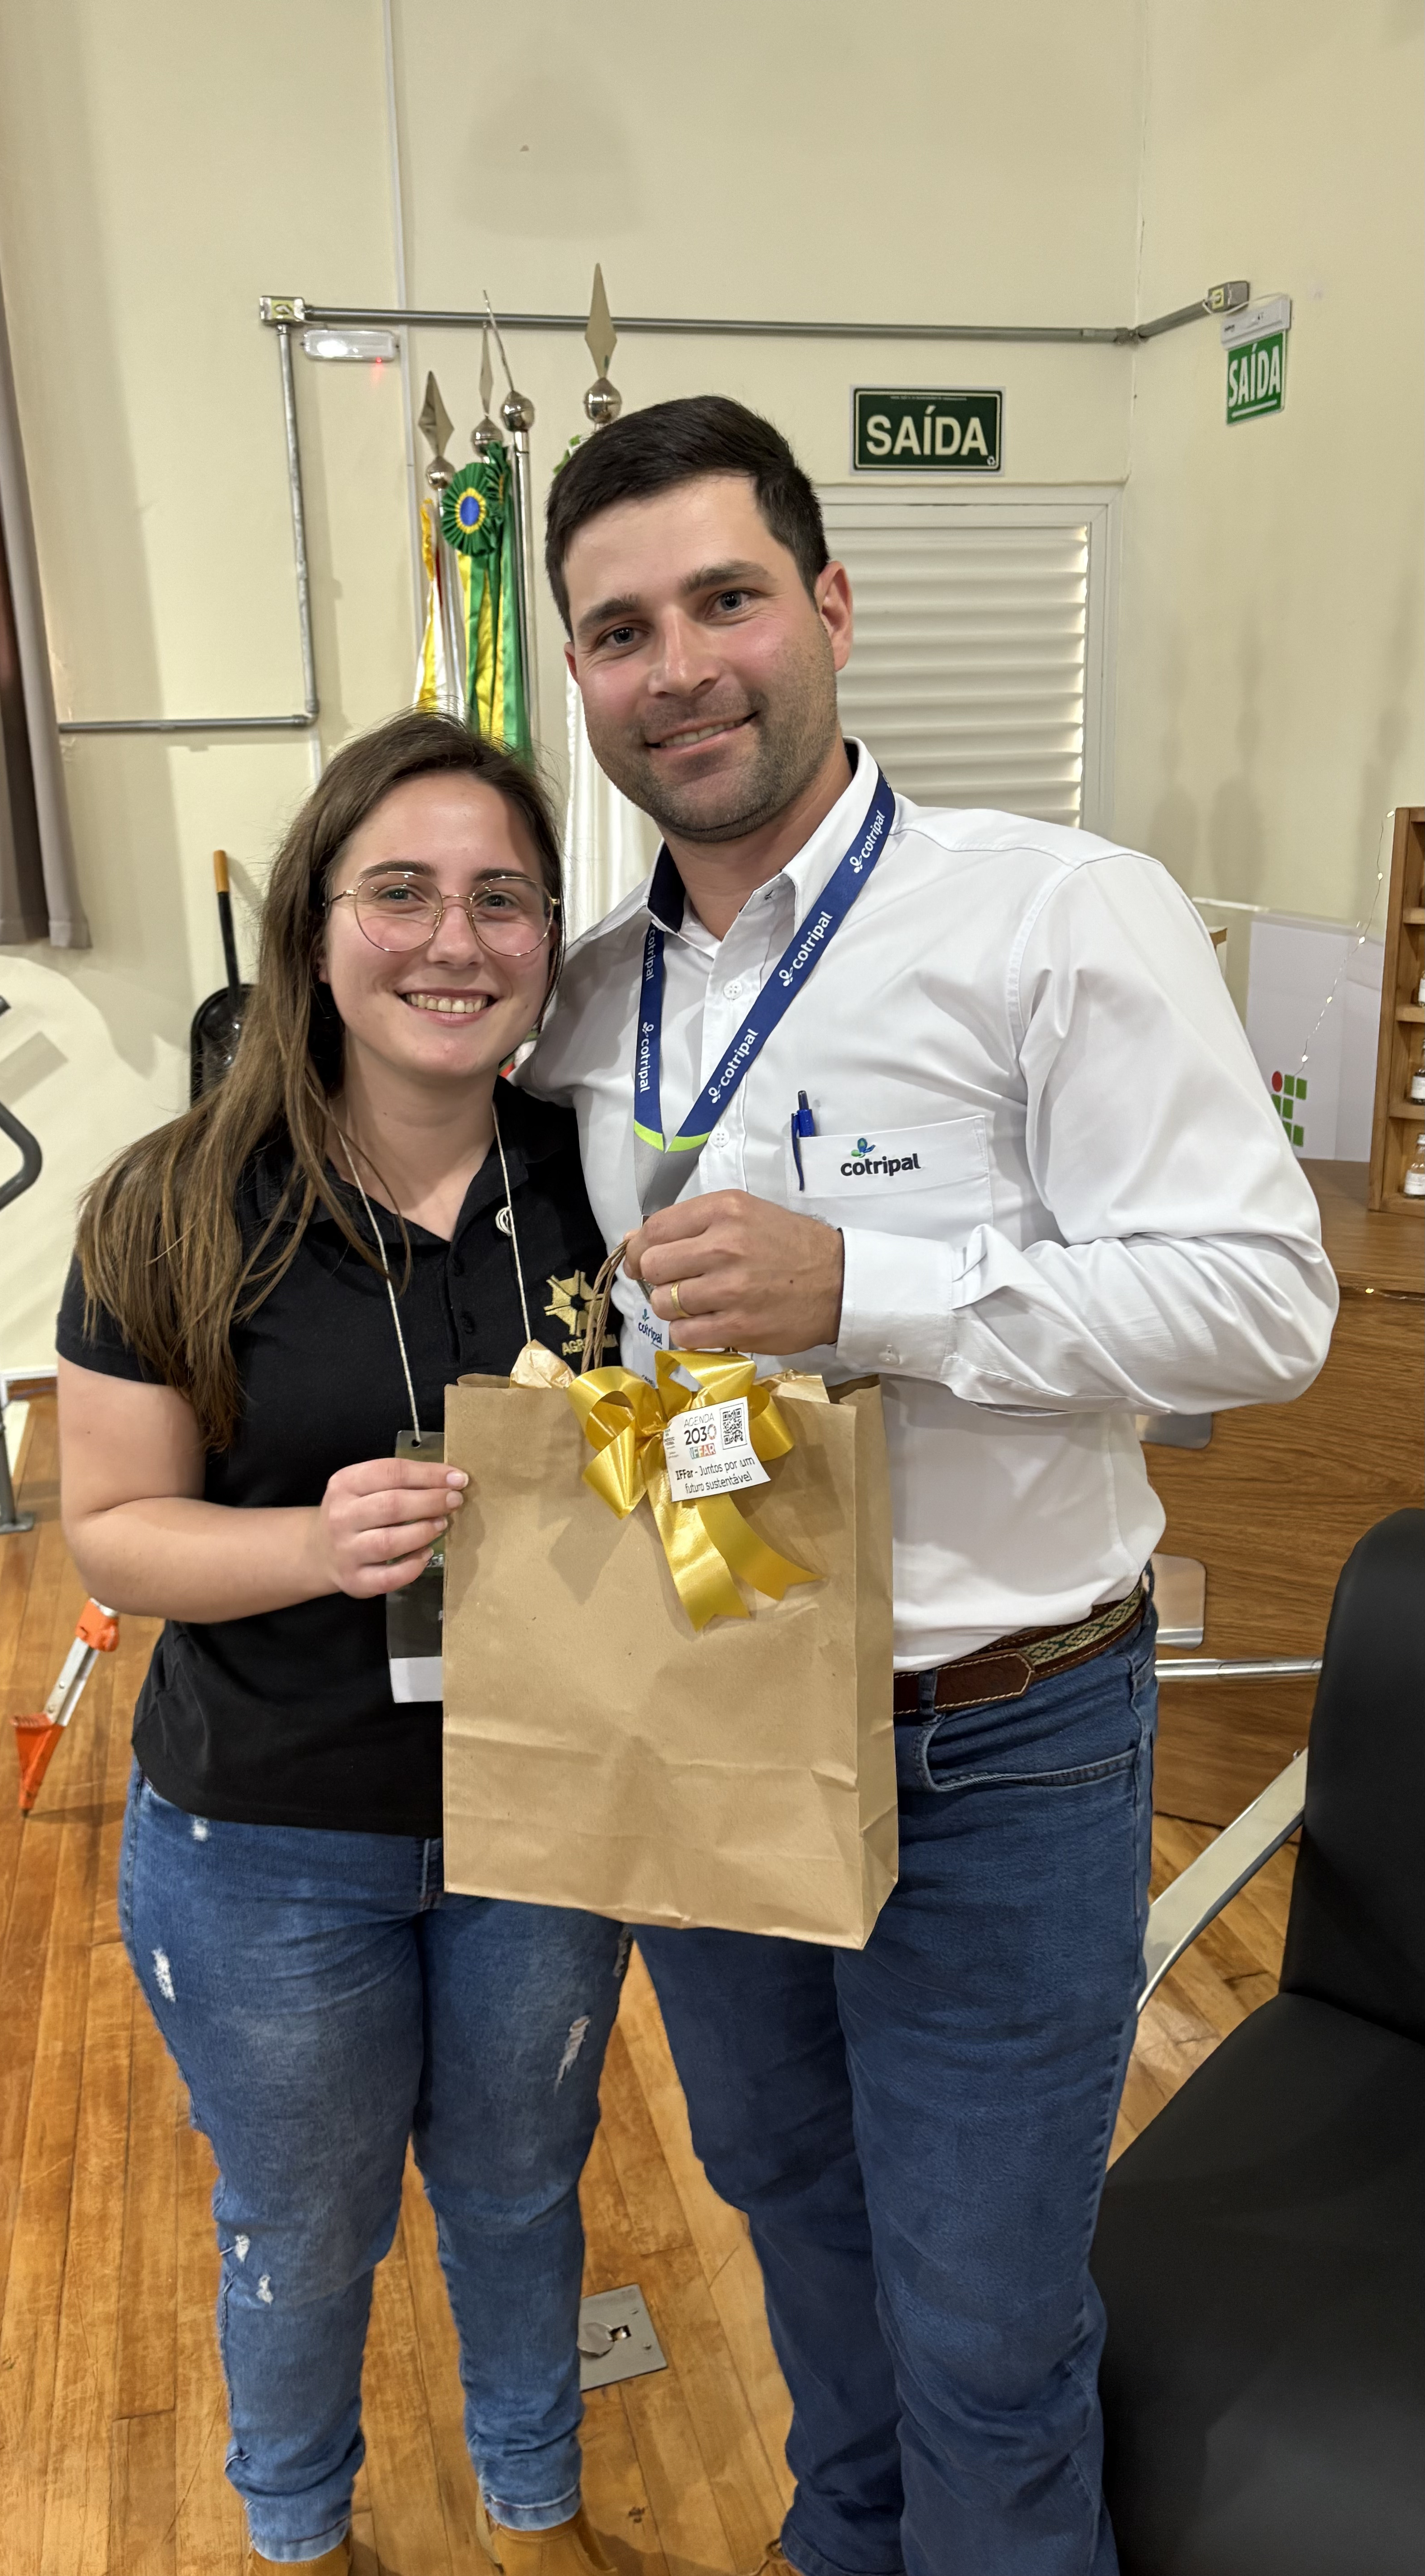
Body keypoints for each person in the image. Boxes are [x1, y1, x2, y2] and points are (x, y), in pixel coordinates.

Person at [523, 397, 1338, 2576]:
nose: (680, 666)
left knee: (983, 2325)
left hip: (997, 1744)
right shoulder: (587, 1001)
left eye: (725, 598)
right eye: (620, 630)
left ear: (831, 606)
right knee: (798, 2227)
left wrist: (873, 1294)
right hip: (712, 1703)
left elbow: (1266, 1308)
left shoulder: (1057, 918)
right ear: (577, 674)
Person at [58, 712, 623, 2576]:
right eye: (401, 893)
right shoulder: (170, 1203)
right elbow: (111, 1530)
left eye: (502, 898)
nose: (455, 941)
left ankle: (536, 2509)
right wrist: (311, 1543)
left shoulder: (602, 1183)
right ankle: (299, 2533)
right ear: (314, 927)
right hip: (271, 1841)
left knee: (524, 2196)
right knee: (303, 2229)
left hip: (548, 1820)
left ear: (549, 938)